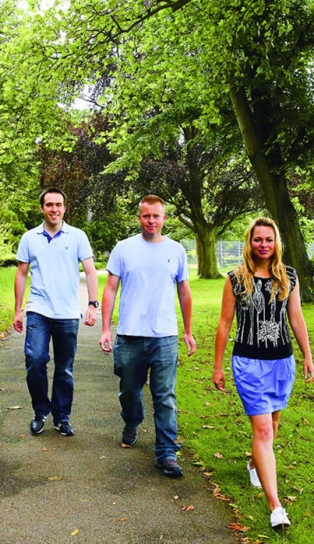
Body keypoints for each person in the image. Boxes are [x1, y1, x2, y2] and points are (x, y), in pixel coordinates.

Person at [212, 217, 313, 529]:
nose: (264, 245)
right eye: (258, 239)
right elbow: (225, 324)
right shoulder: (236, 279)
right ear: (250, 242)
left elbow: (295, 318)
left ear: (276, 242)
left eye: (269, 240)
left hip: (282, 363)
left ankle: (255, 463)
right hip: (249, 363)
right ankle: (276, 507)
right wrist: (217, 366)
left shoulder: (288, 277)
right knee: (264, 431)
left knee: (273, 424)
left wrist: (308, 355)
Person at [99, 195, 196, 478]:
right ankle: (132, 420)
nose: (151, 220)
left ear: (164, 218)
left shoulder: (176, 250)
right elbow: (110, 289)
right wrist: (106, 328)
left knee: (165, 396)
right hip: (130, 335)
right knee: (130, 391)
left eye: (156, 216)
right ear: (139, 217)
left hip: (164, 336)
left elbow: (184, 292)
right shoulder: (123, 248)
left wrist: (188, 331)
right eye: (146, 216)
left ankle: (166, 452)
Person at [13, 188, 98, 437]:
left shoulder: (78, 236)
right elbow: (20, 273)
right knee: (36, 361)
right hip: (38, 309)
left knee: (65, 368)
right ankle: (40, 412)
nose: (54, 209)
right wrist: (18, 310)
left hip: (68, 313)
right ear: (42, 208)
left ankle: (62, 417)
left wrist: (92, 304)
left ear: (65, 207)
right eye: (49, 204)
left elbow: (91, 271)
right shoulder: (30, 238)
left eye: (58, 204)